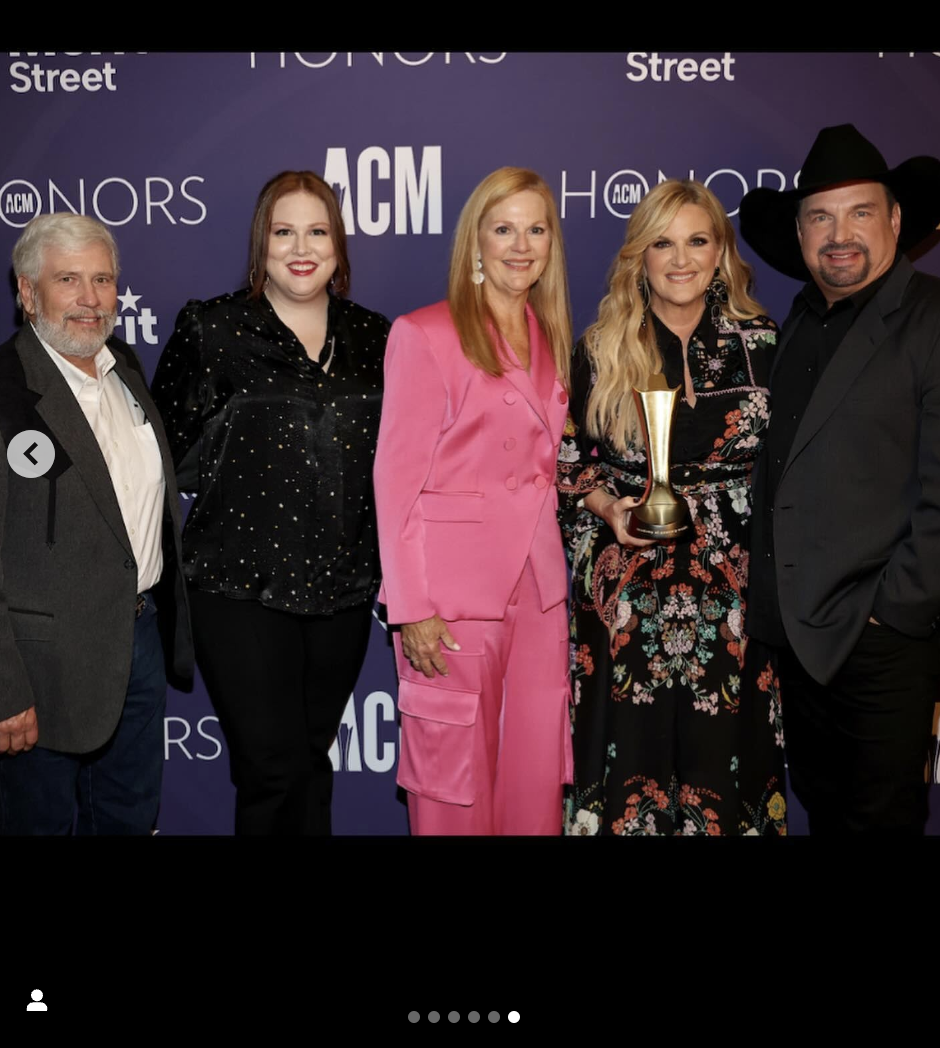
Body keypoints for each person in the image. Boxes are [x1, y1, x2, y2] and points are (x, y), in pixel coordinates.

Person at [152, 171, 390, 836]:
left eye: (316, 231)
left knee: (312, 763)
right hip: (237, 588)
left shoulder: (378, 338)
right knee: (271, 769)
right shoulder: (214, 329)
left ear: (339, 247)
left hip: (342, 590)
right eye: (283, 232)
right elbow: (158, 456)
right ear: (262, 245)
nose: (300, 247)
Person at [558, 180, 785, 836]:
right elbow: (568, 469)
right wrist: (610, 513)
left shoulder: (765, 344)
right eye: (663, 242)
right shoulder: (600, 350)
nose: (680, 259)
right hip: (629, 600)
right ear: (640, 257)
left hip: (736, 602)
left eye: (697, 240)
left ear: (720, 252)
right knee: (628, 770)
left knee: (728, 768)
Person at [739, 123, 940, 835]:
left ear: (894, 220)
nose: (839, 234)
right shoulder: (796, 320)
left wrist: (894, 610)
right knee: (826, 814)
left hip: (880, 641)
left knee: (881, 820)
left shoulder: (930, 317)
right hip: (797, 639)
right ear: (799, 234)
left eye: (860, 212)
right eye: (821, 217)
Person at [374, 167, 574, 835]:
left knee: (534, 780)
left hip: (540, 593)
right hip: (453, 600)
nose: (522, 245)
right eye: (504, 229)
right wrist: (412, 609)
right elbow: (395, 481)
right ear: (475, 243)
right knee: (453, 787)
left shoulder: (550, 337)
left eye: (536, 229)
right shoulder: (425, 334)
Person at [0, 213, 193, 836]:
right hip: (41, 667)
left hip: (138, 641)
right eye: (69, 279)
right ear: (28, 293)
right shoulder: (1, 390)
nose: (89, 299)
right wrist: (2, 689)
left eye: (102, 279)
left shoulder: (125, 368)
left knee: (130, 818)